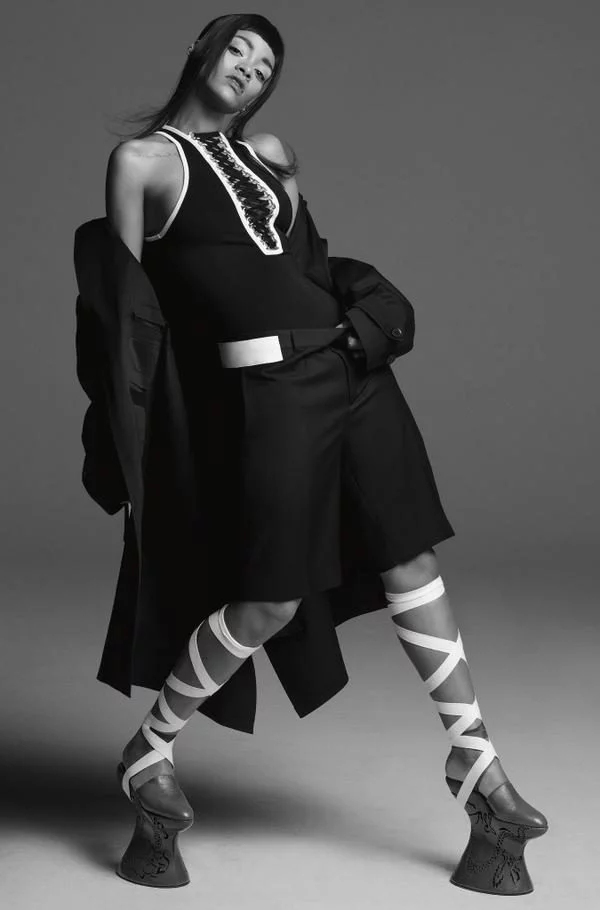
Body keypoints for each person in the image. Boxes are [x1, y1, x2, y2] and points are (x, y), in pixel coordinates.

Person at [102, 12, 547, 893]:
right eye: (238, 48)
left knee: (410, 556)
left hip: (352, 371)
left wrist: (366, 325)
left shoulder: (270, 154)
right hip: (267, 390)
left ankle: (477, 765)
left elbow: (306, 267)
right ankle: (149, 751)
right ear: (203, 49)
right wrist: (127, 435)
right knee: (270, 599)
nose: (249, 68)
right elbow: (121, 313)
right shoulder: (142, 163)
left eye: (265, 64)